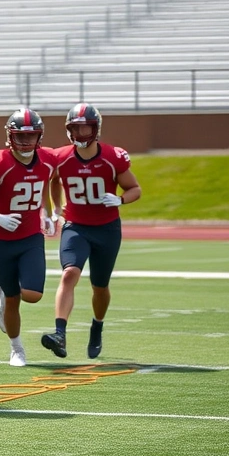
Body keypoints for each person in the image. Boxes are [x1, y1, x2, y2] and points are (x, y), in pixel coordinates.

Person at [41, 103, 141, 360]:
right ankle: (60, 333)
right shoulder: (61, 156)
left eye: (85, 127)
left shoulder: (112, 157)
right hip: (76, 226)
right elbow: (51, 179)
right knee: (69, 274)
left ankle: (97, 324)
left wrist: (120, 199)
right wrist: (55, 211)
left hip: (107, 228)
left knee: (100, 286)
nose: (81, 133)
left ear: (96, 129)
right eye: (76, 128)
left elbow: (134, 189)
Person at [0, 108, 58, 368]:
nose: (25, 142)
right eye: (20, 136)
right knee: (13, 298)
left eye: (31, 136)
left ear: (40, 137)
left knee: (33, 294)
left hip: (30, 236)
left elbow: (47, 181)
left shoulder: (47, 159)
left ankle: (5, 291)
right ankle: (17, 348)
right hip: (0, 239)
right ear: (9, 136)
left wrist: (46, 211)